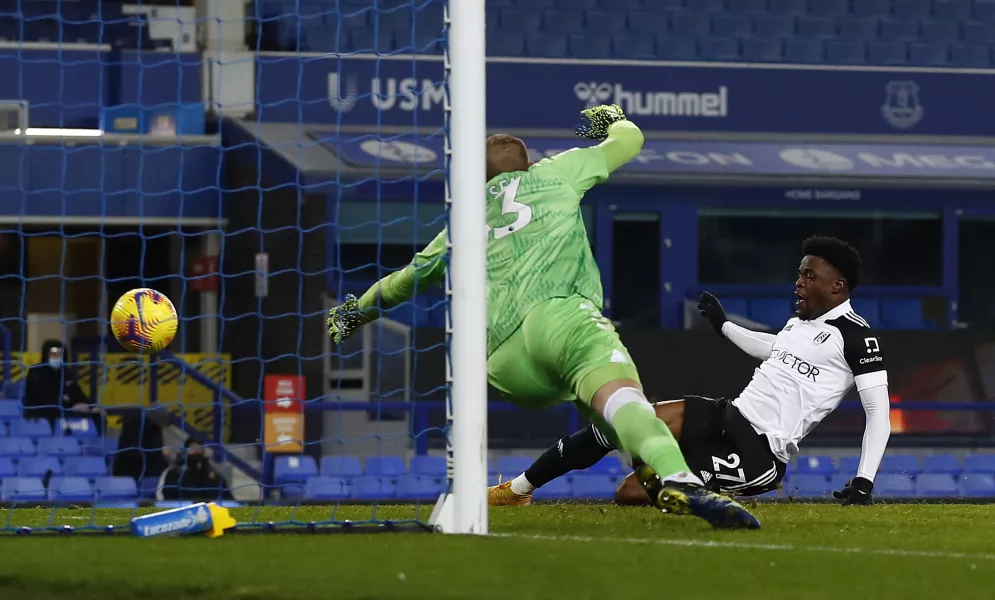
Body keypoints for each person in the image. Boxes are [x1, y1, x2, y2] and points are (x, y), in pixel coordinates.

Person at [328, 105, 760, 529]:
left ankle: (603, 474)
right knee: (624, 400)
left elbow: (405, 281)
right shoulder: (554, 173)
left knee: (599, 410)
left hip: (505, 365)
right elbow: (631, 140)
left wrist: (354, 314)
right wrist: (611, 118)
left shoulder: (461, 221)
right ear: (528, 164)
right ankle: (680, 480)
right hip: (561, 316)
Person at [492, 236, 891, 508]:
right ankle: (519, 489)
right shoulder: (798, 325)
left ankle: (692, 484)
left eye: (809, 276)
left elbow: (879, 412)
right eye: (800, 273)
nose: (798, 282)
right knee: (617, 424)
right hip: (726, 414)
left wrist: (864, 480)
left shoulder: (857, 337)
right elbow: (771, 348)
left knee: (629, 494)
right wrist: (724, 325)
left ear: (837, 286)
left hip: (759, 454)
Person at [22, 339, 101, 433]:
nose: (57, 357)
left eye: (60, 354)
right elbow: (43, 398)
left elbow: (77, 393)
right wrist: (69, 405)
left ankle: (96, 444)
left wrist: (90, 407)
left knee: (97, 415)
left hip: (66, 411)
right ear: (46, 355)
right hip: (43, 413)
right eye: (54, 354)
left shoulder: (67, 373)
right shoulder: (35, 372)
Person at [157, 438, 231, 501]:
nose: (196, 450)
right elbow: (163, 496)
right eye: (192, 448)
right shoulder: (173, 471)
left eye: (199, 448)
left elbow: (226, 496)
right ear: (185, 451)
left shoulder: (213, 472)